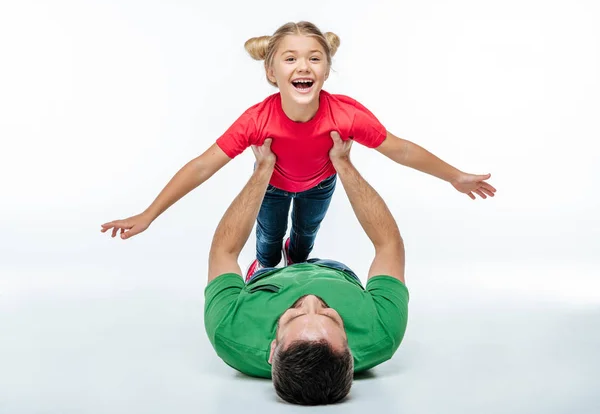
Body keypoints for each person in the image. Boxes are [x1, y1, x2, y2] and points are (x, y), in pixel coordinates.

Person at [101, 21, 496, 280]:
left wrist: (455, 176)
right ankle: (268, 267)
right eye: (290, 59)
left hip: (320, 185)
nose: (302, 66)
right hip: (271, 185)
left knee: (303, 240)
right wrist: (150, 214)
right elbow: (204, 165)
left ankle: (296, 258)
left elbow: (402, 150)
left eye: (314, 58)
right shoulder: (256, 120)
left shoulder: (346, 114)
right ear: (272, 72)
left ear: (326, 69)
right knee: (269, 242)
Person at [205, 131, 408, 405]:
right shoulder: (383, 333)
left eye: (292, 316)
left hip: (268, 280)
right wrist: (343, 163)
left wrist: (263, 171)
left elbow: (224, 251)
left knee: (267, 248)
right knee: (302, 242)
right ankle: (297, 253)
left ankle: (267, 261)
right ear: (351, 348)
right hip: (334, 271)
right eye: (330, 315)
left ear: (272, 349)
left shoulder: (228, 334)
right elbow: (388, 244)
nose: (311, 300)